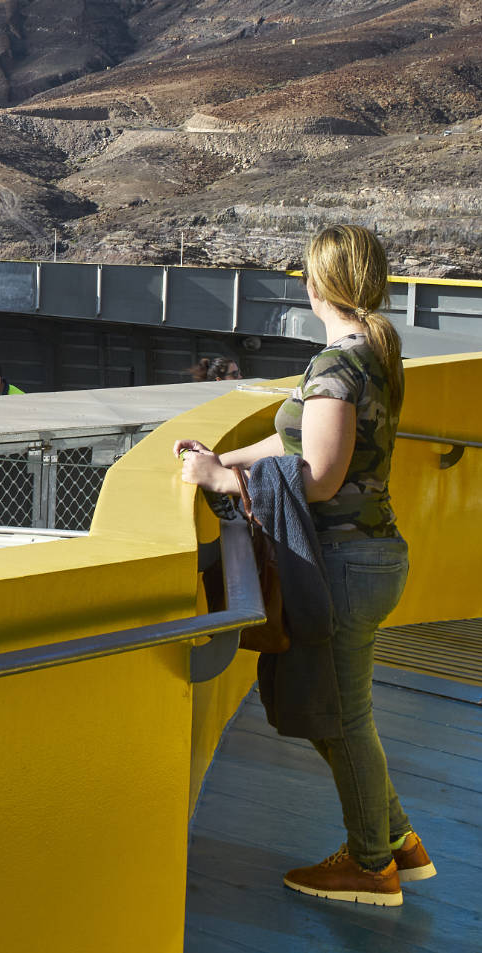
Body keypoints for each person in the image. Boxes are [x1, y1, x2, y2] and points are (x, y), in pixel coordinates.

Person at [173, 224, 432, 907]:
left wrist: (224, 484)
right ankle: (399, 838)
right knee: (342, 711)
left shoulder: (336, 364)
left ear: (320, 284)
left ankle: (371, 863)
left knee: (341, 716)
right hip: (369, 555)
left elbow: (316, 476)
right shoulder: (373, 354)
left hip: (345, 560)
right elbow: (296, 434)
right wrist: (225, 460)